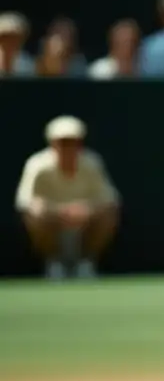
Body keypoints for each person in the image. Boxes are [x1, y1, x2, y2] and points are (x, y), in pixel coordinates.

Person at [14, 116, 120, 280]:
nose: (68, 147)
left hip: (86, 222)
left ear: (80, 144)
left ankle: (85, 264)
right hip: (52, 221)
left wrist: (87, 210)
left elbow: (110, 199)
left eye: (72, 142)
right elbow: (25, 201)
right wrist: (57, 212)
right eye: (62, 142)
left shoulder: (92, 163)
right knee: (33, 216)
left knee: (109, 215)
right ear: (52, 144)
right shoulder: (37, 165)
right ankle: (54, 263)